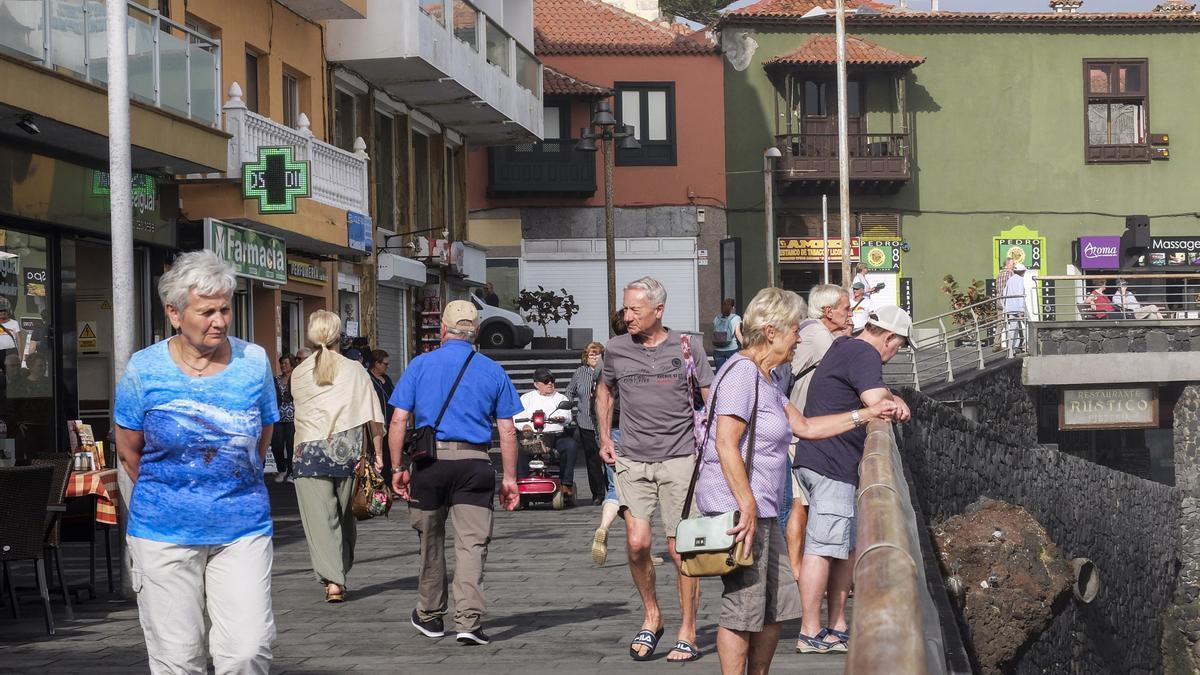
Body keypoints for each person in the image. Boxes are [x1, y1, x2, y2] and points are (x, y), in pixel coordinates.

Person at [696, 287, 897, 674]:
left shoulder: (767, 378)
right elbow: (725, 444)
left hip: (764, 508)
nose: (799, 337)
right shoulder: (741, 373)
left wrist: (866, 414)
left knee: (778, 605)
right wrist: (747, 506)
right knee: (744, 607)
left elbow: (804, 426)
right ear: (770, 332)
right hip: (739, 512)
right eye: (793, 329)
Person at [113, 250, 279, 674]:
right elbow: (129, 451)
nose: (219, 321)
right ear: (174, 313)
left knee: (247, 649)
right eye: (207, 312)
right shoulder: (143, 370)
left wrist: (226, 486)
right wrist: (179, 493)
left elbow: (261, 439)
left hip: (241, 528)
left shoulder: (254, 362)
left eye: (225, 309)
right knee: (178, 658)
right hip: (163, 533)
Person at [389, 299, 522, 646]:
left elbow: (399, 419)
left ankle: (431, 616)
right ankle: (469, 621)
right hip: (475, 465)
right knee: (472, 545)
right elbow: (507, 429)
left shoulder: (419, 365)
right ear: (476, 332)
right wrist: (510, 478)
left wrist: (397, 468)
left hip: (429, 466)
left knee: (429, 542)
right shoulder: (492, 370)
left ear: (443, 330)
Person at [596, 276, 714, 663]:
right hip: (632, 457)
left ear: (658, 310)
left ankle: (688, 629)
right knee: (636, 544)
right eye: (625, 309)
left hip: (681, 459)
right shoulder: (615, 349)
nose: (626, 316)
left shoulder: (687, 345)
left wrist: (717, 447)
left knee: (681, 550)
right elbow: (605, 391)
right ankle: (652, 615)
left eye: (635, 309)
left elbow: (709, 396)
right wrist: (604, 437)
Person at [794, 305, 913, 654]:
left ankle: (835, 625)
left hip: (821, 458)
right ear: (888, 338)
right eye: (900, 345)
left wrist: (895, 395)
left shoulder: (845, 346)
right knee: (822, 547)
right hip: (831, 461)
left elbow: (876, 393)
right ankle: (810, 631)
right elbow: (877, 401)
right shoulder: (865, 353)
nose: (896, 353)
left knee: (842, 546)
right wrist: (895, 400)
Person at [291, 311, 384, 603]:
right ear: (339, 337)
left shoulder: (298, 373)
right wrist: (379, 455)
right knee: (344, 519)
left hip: (307, 453)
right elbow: (373, 417)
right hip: (347, 454)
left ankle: (333, 580)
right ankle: (338, 571)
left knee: (320, 520)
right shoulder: (355, 370)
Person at [783, 284, 851, 590]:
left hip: (805, 428)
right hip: (801, 432)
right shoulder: (818, 335)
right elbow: (845, 370)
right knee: (801, 506)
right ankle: (799, 569)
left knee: (805, 505)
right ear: (828, 311)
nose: (850, 314)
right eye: (845, 309)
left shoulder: (815, 333)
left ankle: (805, 568)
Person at [591, 311, 628, 566]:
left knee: (615, 487)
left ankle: (604, 526)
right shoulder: (636, 354)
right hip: (636, 430)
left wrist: (602, 435)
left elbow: (598, 393)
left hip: (611, 429)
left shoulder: (605, 358)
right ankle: (641, 549)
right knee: (641, 489)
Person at [518, 367, 580, 506]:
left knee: (570, 445)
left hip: (555, 436)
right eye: (546, 381)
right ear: (536, 384)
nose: (550, 384)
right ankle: (521, 481)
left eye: (552, 380)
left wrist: (560, 418)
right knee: (519, 448)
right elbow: (517, 415)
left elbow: (567, 415)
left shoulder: (560, 398)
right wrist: (524, 426)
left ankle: (566, 484)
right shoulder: (526, 398)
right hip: (532, 436)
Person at [566, 342, 607, 505]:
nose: (594, 357)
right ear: (586, 357)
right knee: (592, 459)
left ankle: (613, 491)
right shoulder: (580, 372)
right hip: (586, 422)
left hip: (606, 422)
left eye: (597, 354)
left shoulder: (607, 371)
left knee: (609, 460)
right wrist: (568, 409)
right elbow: (570, 391)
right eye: (591, 354)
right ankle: (598, 493)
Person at [367, 350, 397, 482]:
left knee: (390, 454)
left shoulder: (387, 379)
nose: (388, 366)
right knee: (377, 455)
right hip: (376, 424)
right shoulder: (367, 378)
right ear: (376, 363)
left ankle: (389, 484)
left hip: (390, 424)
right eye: (385, 364)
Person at [271, 354, 298, 483]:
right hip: (278, 418)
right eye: (281, 363)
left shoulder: (297, 380)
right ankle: (282, 469)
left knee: (291, 446)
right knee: (277, 446)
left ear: (292, 365)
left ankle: (292, 472)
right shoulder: (275, 380)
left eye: (286, 363)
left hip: (293, 418)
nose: (283, 366)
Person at [712, 298, 744, 373]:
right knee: (733, 372)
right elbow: (738, 333)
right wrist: (744, 344)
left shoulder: (717, 318)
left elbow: (715, 332)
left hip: (718, 349)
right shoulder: (736, 318)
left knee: (720, 373)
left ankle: (720, 385)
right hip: (731, 349)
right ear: (733, 307)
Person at [1004, 263, 1029, 352]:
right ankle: (1025, 345)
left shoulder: (1009, 280)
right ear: (1022, 272)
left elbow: (1004, 293)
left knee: (1013, 329)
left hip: (1010, 308)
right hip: (1018, 308)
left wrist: (1005, 307)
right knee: (1028, 325)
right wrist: (1021, 310)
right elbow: (1020, 295)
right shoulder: (1020, 280)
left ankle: (1011, 349)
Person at [0, 298, 22, 366]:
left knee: (12, 373)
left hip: (11, 352)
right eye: (0, 310)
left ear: (8, 311)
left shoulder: (14, 323)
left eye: (4, 310)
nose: (2, 312)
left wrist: (20, 355)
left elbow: (19, 340)